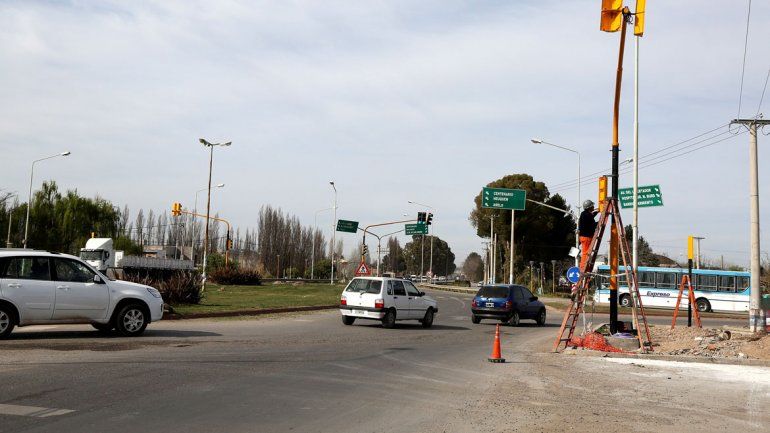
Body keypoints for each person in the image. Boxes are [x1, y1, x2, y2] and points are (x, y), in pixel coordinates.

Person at [578, 200, 599, 271]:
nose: (593, 207)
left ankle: (584, 267)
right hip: (586, 237)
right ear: (589, 207)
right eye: (592, 206)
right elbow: (592, 224)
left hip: (583, 237)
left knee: (586, 253)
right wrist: (599, 223)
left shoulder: (584, 214)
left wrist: (597, 212)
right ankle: (583, 268)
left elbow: (591, 216)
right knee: (586, 253)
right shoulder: (587, 215)